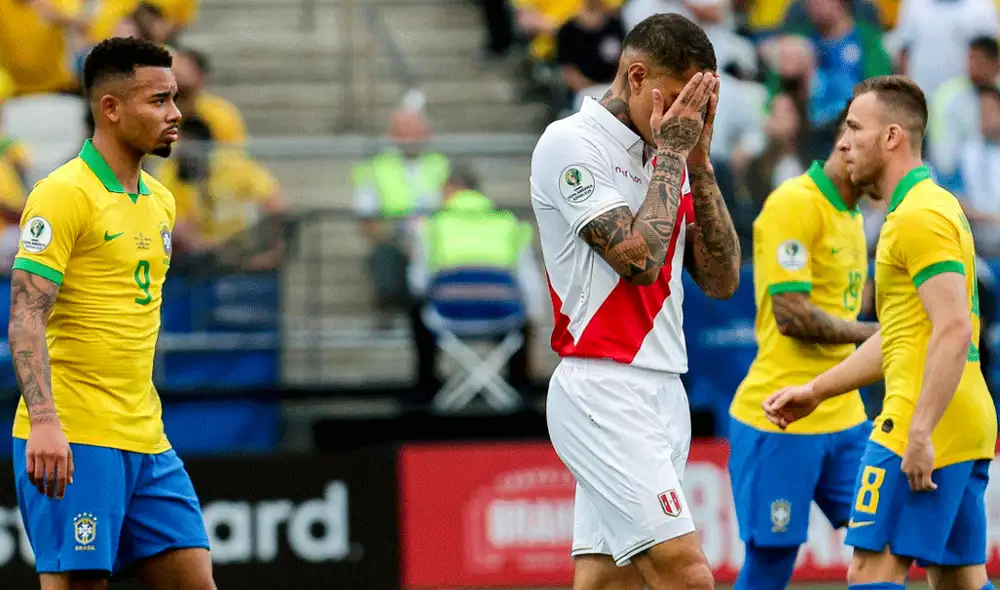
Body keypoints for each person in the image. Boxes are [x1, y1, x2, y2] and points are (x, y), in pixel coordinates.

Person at [530, 13, 741, 590]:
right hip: (603, 386)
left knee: (607, 579)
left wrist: (697, 161)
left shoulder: (667, 153)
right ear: (637, 75)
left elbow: (721, 280)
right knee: (687, 573)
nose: (683, 118)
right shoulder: (571, 143)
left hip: (662, 388)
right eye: (674, 100)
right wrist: (674, 154)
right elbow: (639, 263)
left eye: (694, 107)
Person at [764, 75, 997, 590]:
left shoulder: (918, 216)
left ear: (892, 137)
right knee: (959, 577)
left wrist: (919, 430)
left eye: (854, 128)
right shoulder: (932, 206)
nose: (844, 143)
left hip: (922, 419)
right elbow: (901, 339)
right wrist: (815, 391)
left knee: (870, 571)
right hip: (960, 417)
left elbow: (955, 329)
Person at [9, 37, 215, 590]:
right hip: (75, 437)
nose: (175, 115)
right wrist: (46, 424)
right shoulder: (63, 194)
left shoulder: (160, 199)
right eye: (158, 101)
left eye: (174, 99)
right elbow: (25, 318)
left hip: (147, 440)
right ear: (111, 108)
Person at [728, 112, 879, 590]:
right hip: (780, 416)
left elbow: (847, 306)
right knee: (773, 559)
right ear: (847, 145)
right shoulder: (794, 203)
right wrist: (876, 334)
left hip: (846, 417)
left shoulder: (852, 213)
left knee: (884, 542)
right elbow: (791, 315)